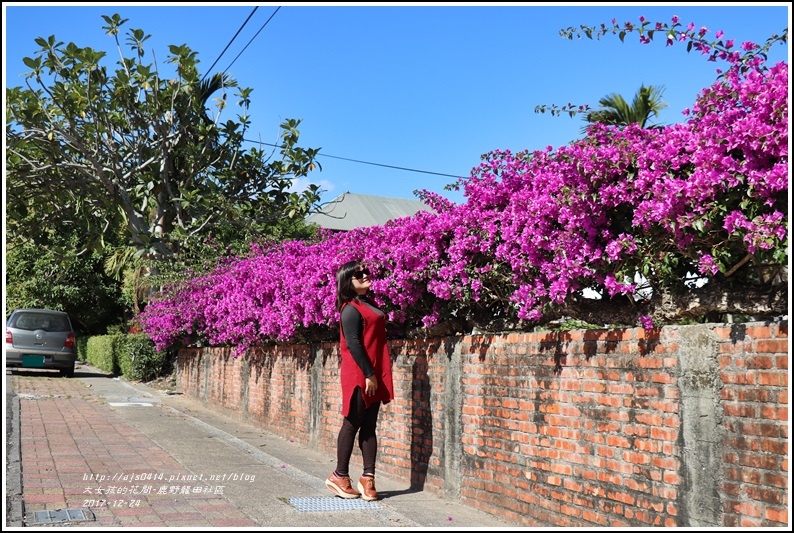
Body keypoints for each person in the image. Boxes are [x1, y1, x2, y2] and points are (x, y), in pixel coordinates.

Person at [325, 260, 394, 501]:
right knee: (352, 422)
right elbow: (353, 344)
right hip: (360, 375)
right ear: (348, 282)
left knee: (369, 426)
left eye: (366, 272)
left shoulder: (367, 303)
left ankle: (368, 477)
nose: (365, 275)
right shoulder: (350, 309)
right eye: (358, 274)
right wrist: (369, 374)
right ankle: (339, 475)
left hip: (372, 372)